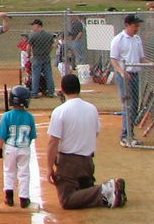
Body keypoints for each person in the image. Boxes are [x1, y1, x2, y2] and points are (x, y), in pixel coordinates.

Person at [47, 73, 127, 209]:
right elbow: (95, 133)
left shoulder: (60, 111)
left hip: (69, 164)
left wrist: (49, 168)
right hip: (87, 163)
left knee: (67, 200)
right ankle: (107, 193)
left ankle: (107, 188)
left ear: (63, 90)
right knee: (82, 192)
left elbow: (53, 142)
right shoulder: (92, 108)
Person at [0, 85, 37, 208]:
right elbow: (32, 135)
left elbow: (1, 135)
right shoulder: (29, 117)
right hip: (24, 148)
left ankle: (9, 197)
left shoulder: (7, 116)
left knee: (9, 171)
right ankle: (24, 198)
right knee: (24, 173)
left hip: (10, 148)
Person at [109, 14, 144, 147]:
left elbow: (141, 58)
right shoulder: (118, 39)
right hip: (125, 75)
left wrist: (151, 64)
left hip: (135, 74)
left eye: (138, 25)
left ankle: (130, 133)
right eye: (135, 25)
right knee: (128, 104)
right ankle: (125, 135)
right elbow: (114, 59)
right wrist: (122, 71)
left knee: (135, 105)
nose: (137, 28)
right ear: (127, 25)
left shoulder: (137, 39)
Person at [27, 19, 58, 98]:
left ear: (38, 26)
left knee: (35, 75)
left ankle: (34, 93)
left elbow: (28, 47)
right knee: (48, 75)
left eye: (33, 25)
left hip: (37, 57)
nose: (33, 28)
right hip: (46, 57)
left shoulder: (33, 35)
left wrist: (29, 55)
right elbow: (53, 45)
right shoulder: (49, 35)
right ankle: (51, 92)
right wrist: (47, 51)